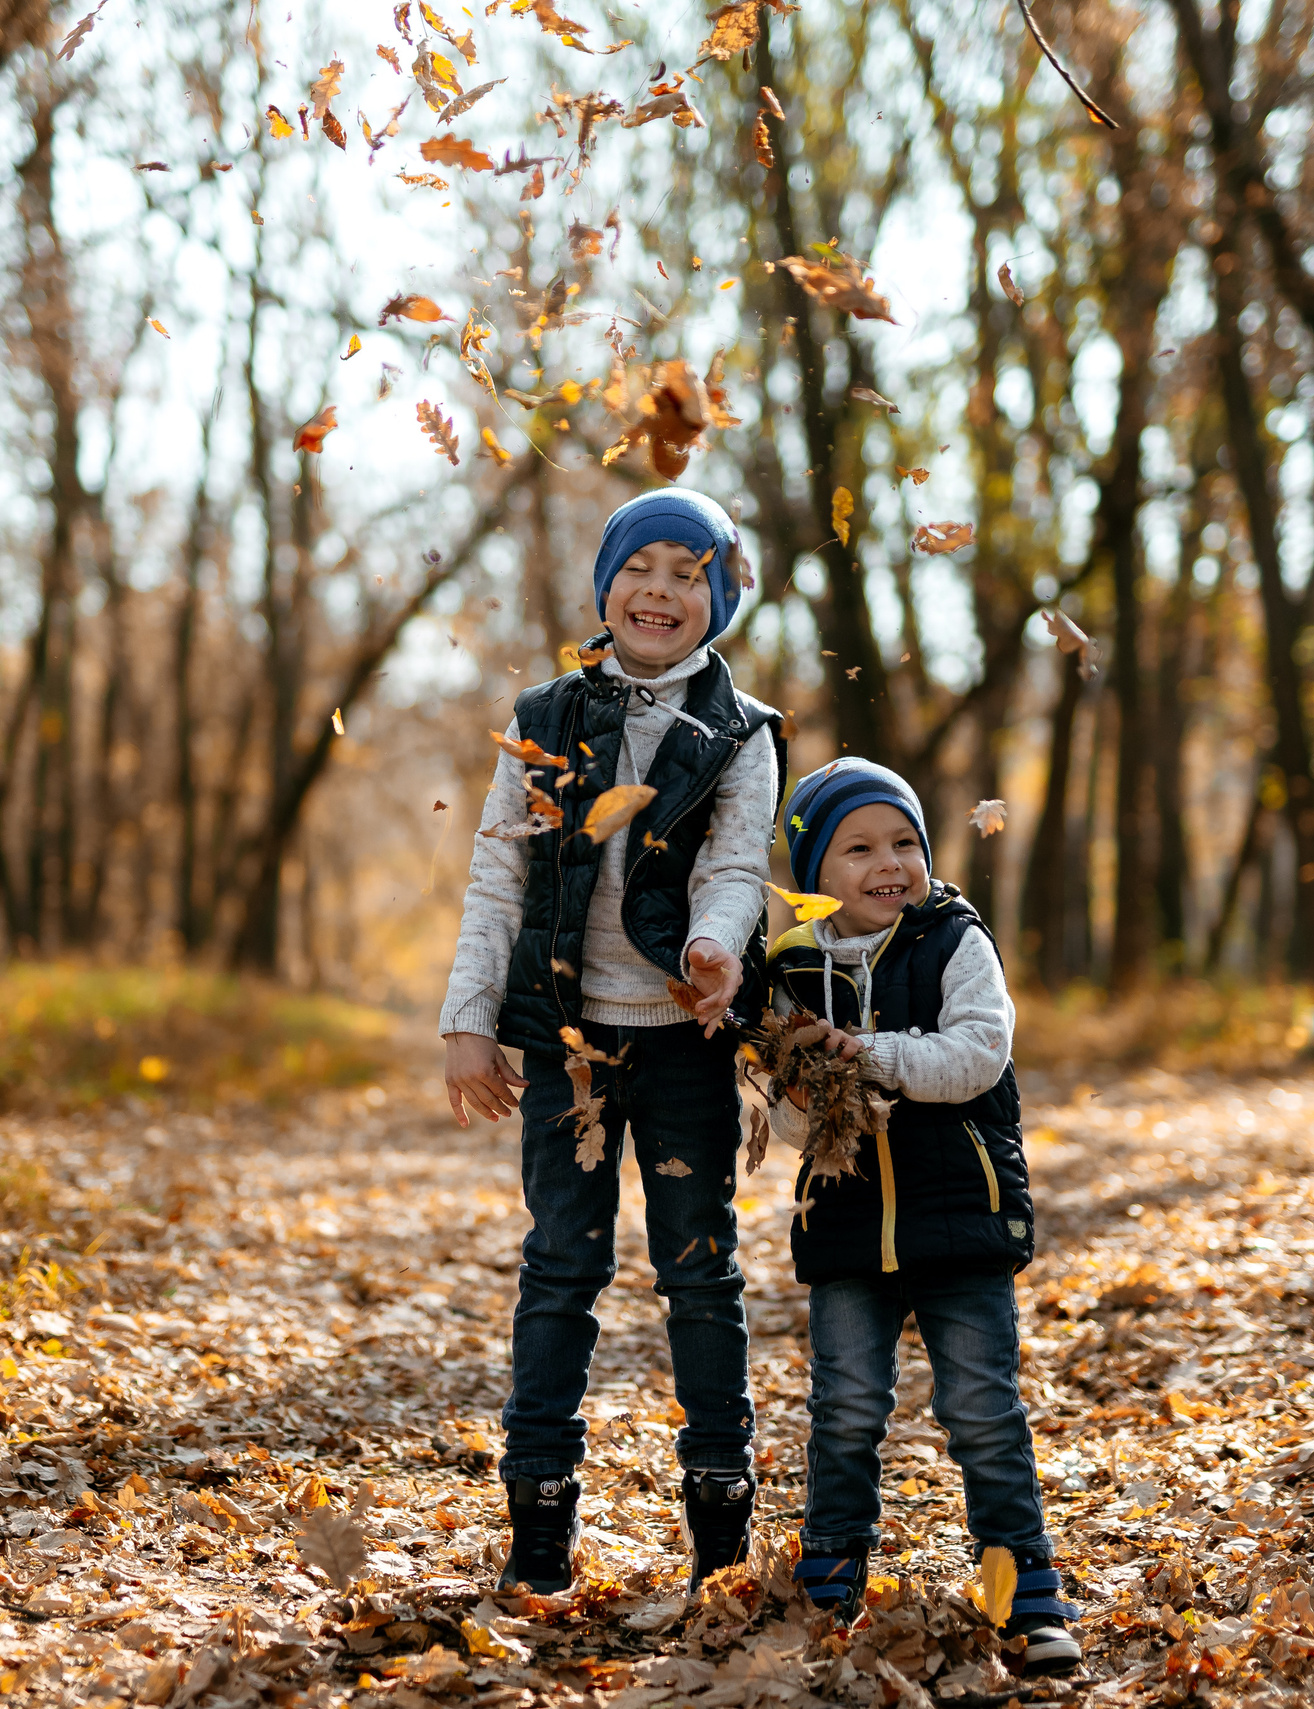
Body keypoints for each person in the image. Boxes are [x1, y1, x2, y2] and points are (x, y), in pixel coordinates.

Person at [440, 488, 786, 1595]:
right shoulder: (543, 715)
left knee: (700, 1272)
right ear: (607, 584)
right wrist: (467, 1019)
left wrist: (716, 946)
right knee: (559, 1270)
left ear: (717, 601)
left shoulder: (741, 733)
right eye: (645, 567)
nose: (662, 591)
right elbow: (498, 873)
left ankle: (719, 1519)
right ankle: (539, 1517)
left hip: (685, 1040)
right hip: (569, 1046)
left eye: (691, 575)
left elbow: (734, 864)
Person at [764, 758, 1080, 1672]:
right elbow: (790, 1124)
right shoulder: (793, 966)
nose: (887, 862)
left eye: (904, 842)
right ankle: (830, 1581)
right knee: (847, 1406)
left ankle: (1028, 1593)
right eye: (857, 848)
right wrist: (796, 1080)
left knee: (982, 1408)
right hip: (848, 1228)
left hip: (960, 1220)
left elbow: (977, 1054)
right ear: (817, 873)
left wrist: (864, 1053)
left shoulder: (953, 939)